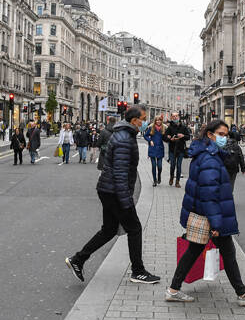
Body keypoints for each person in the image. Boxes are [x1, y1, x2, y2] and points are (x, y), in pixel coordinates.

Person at [165, 119, 245, 306]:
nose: (224, 138)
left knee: (194, 252)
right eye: (220, 134)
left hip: (202, 214)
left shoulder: (205, 153)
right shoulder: (210, 158)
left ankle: (173, 289)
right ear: (210, 135)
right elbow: (210, 194)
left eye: (226, 135)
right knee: (228, 253)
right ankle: (242, 295)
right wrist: (216, 224)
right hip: (208, 217)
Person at [65, 105, 160, 285]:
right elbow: (120, 172)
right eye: (143, 118)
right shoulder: (125, 138)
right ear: (134, 121)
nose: (145, 121)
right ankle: (138, 271)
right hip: (115, 191)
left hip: (108, 189)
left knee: (109, 230)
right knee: (134, 228)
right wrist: (126, 201)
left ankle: (78, 259)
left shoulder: (124, 134)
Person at [164, 112, 190, 188]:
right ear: (172, 118)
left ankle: (177, 181)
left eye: (176, 116)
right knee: (172, 165)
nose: (175, 117)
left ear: (178, 117)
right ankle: (172, 177)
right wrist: (169, 138)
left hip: (181, 149)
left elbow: (188, 137)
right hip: (172, 149)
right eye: (173, 116)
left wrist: (183, 136)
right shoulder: (170, 127)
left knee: (179, 166)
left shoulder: (183, 127)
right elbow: (165, 137)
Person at [144, 116, 166, 186]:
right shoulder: (151, 128)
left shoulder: (163, 128)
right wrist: (150, 140)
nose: (158, 122)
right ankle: (154, 180)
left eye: (159, 120)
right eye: (157, 120)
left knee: (159, 166)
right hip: (152, 148)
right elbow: (145, 135)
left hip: (160, 148)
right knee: (153, 166)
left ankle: (159, 176)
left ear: (161, 121)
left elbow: (166, 137)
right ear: (155, 121)